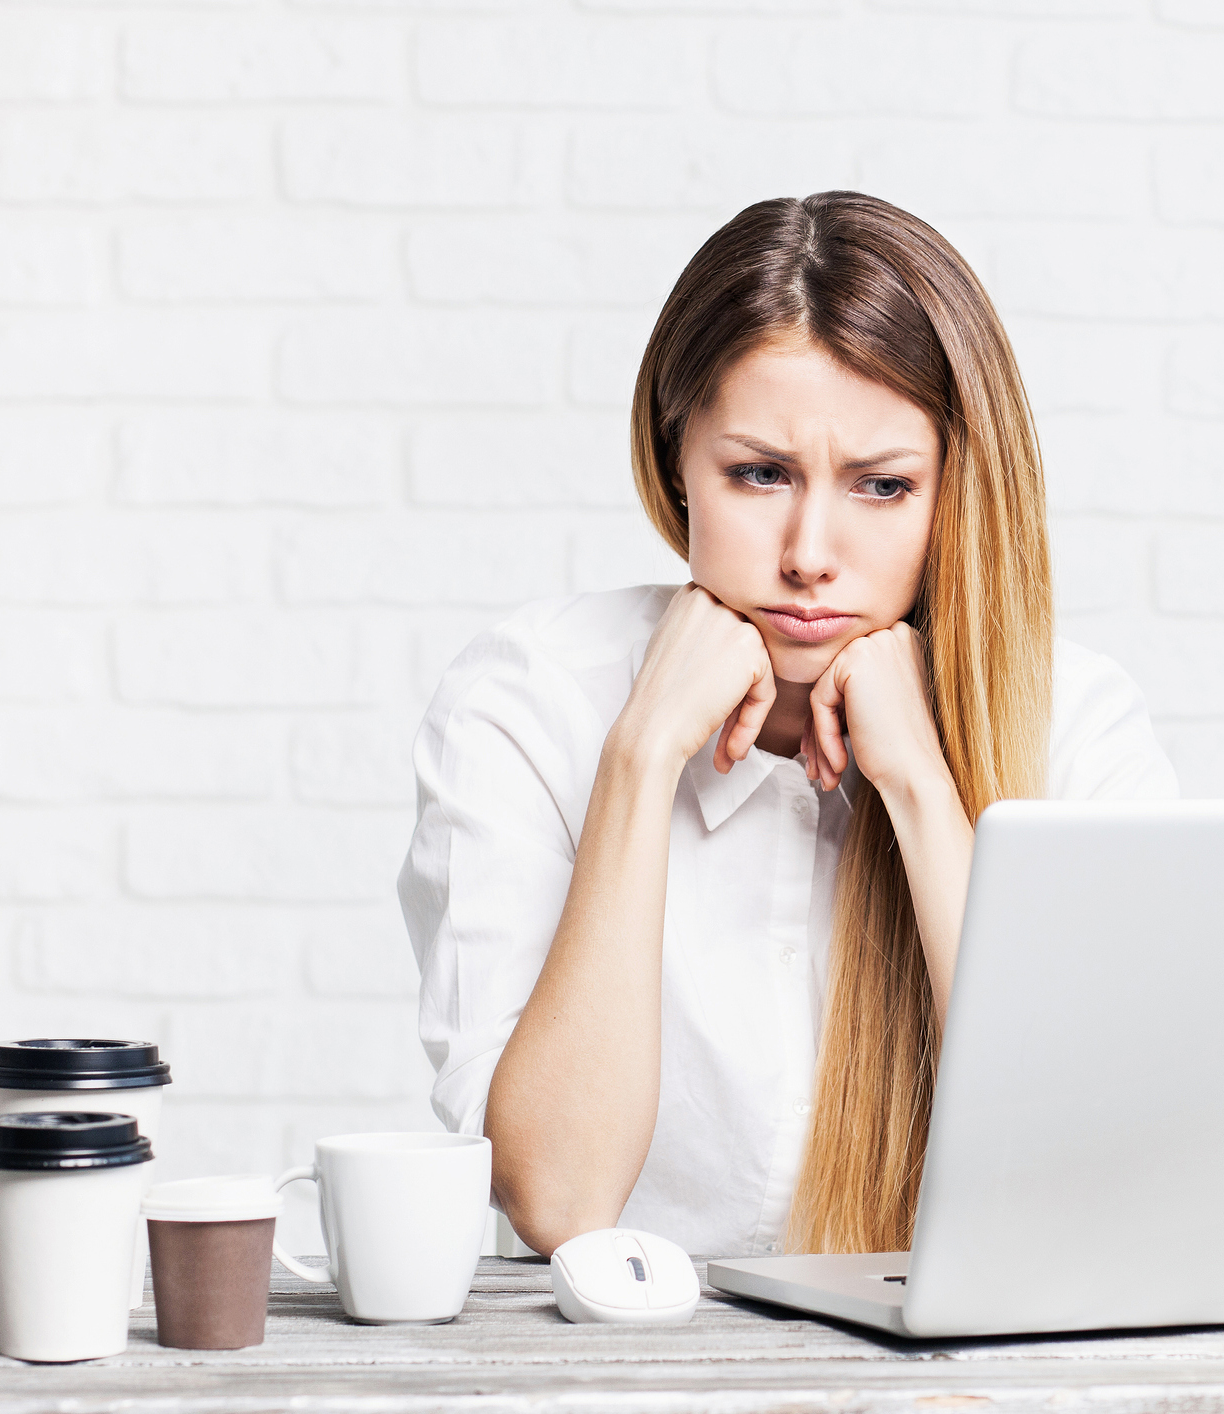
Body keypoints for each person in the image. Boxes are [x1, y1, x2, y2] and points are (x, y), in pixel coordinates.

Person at [399, 191, 1177, 1262]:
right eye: (760, 473)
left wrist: (917, 790)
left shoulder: (1077, 721)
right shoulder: (529, 702)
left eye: (883, 486)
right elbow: (559, 1198)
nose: (810, 550)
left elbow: (1097, 1178)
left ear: (955, 492)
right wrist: (639, 758)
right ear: (679, 461)